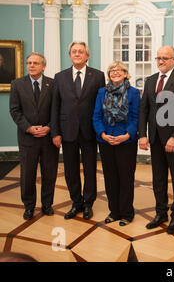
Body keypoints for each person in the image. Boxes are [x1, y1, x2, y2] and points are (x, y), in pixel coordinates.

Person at [139, 46, 174, 234]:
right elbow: (143, 109)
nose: (160, 61)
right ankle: (161, 213)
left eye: (165, 58)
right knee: (158, 178)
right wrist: (142, 135)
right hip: (154, 138)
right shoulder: (151, 80)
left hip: (173, 140)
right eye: (158, 57)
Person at [51, 41, 105, 220]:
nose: (77, 54)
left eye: (80, 52)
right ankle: (76, 202)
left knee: (90, 169)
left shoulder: (98, 76)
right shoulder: (60, 77)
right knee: (70, 170)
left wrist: (101, 130)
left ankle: (88, 203)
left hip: (89, 131)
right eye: (74, 51)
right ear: (70, 55)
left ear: (87, 56)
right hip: (67, 131)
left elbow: (101, 105)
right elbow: (55, 106)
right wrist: (55, 132)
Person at [9, 52, 59, 220]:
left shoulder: (52, 84)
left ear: (43, 66)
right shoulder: (17, 84)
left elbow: (57, 110)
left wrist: (50, 128)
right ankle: (29, 206)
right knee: (27, 174)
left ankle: (47, 205)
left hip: (48, 138)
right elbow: (15, 111)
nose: (31, 65)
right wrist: (29, 128)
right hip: (27, 138)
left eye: (35, 63)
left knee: (49, 173)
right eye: (29, 63)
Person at [93, 61, 140, 226]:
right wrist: (103, 134)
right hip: (106, 141)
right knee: (110, 178)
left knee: (126, 178)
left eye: (119, 70)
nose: (115, 72)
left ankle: (127, 213)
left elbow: (136, 118)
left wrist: (127, 135)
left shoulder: (134, 93)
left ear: (126, 73)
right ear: (108, 74)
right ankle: (114, 211)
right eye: (112, 70)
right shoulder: (101, 92)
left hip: (126, 141)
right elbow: (96, 116)